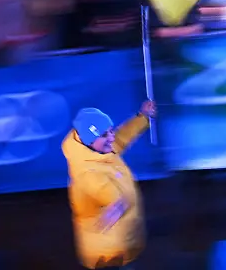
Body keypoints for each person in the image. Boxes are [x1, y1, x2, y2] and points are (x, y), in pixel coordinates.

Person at [61, 100, 157, 269]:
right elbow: (106, 192)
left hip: (122, 241)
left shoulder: (98, 150)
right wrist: (118, 204)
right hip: (108, 255)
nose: (112, 137)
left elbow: (120, 139)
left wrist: (142, 117)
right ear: (90, 141)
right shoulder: (87, 172)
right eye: (105, 135)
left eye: (111, 131)